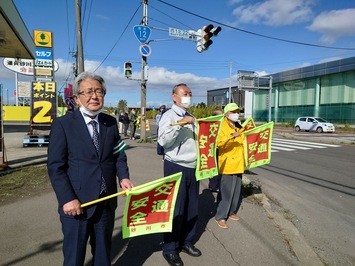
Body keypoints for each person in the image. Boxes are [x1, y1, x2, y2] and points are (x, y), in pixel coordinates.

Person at [47, 71, 134, 265]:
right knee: (74, 258)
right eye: (88, 92)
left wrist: (124, 177)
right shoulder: (63, 125)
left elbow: (119, 154)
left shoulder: (110, 123)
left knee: (103, 255)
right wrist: (67, 199)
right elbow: (55, 167)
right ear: (77, 98)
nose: (94, 96)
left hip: (106, 202)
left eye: (99, 91)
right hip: (77, 204)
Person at [158, 83, 201, 266]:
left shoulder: (192, 116)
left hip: (193, 167)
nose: (188, 96)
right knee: (176, 209)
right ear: (174, 96)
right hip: (175, 166)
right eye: (184, 93)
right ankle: (170, 248)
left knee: (192, 208)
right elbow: (164, 141)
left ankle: (186, 241)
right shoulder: (169, 116)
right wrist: (179, 124)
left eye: (190, 93)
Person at [215, 102, 245, 229]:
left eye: (238, 112)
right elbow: (219, 143)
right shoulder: (222, 126)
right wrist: (231, 136)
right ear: (227, 114)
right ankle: (221, 216)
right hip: (227, 163)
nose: (236, 114)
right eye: (233, 112)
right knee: (226, 191)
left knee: (236, 190)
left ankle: (231, 212)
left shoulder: (239, 126)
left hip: (239, 162)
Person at [208, 108, 223, 193]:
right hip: (213, 149)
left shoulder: (221, 124)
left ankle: (213, 185)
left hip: (219, 149)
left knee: (217, 168)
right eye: (220, 115)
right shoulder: (212, 124)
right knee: (214, 168)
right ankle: (214, 186)